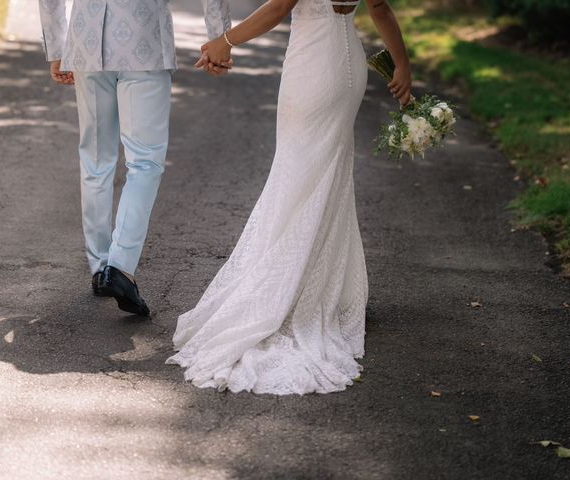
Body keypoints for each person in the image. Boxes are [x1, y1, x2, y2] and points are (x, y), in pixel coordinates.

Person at [167, 0, 412, 394]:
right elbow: (379, 6)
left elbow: (280, 5)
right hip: (347, 63)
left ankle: (288, 289)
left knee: (295, 175)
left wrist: (225, 40)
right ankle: (319, 284)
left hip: (313, 67)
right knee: (325, 176)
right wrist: (402, 64)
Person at [37, 0, 231, 316]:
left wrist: (57, 47)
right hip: (144, 39)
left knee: (95, 159)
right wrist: (220, 37)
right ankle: (120, 266)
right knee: (145, 162)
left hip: (87, 39)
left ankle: (101, 268)